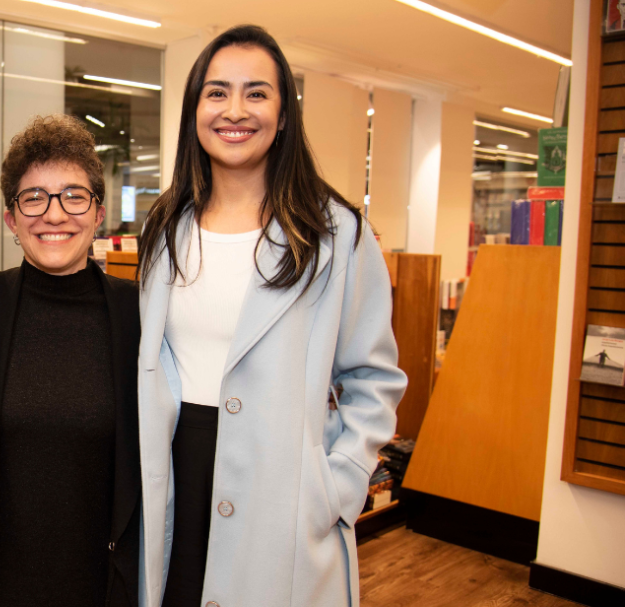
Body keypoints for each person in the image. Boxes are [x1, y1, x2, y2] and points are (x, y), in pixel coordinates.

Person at [136, 25, 408, 607]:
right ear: (194, 111)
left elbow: (374, 378)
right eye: (217, 92)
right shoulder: (165, 227)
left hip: (284, 492)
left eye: (257, 93)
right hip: (175, 477)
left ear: (283, 115)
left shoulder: (337, 235)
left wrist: (337, 483)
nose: (235, 110)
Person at [0, 115, 141, 607]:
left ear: (98, 214)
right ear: (10, 218)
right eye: (34, 198)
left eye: (73, 196)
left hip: (101, 581)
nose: (54, 215)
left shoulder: (138, 316)